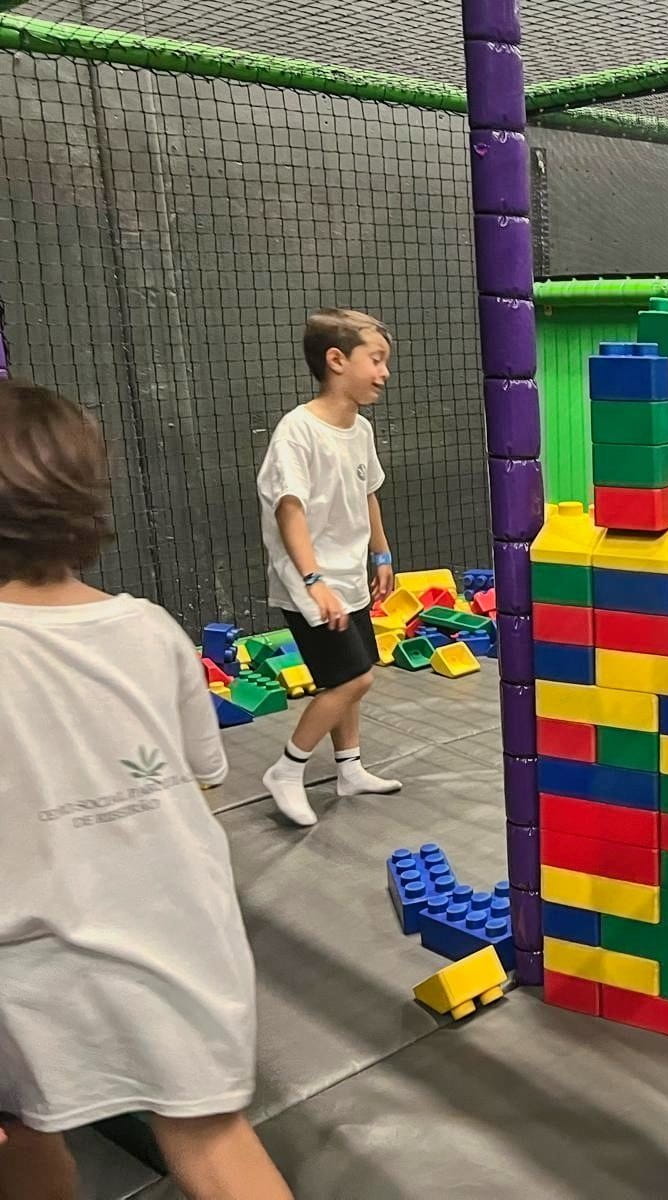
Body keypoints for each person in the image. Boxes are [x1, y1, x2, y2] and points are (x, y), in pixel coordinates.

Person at [0, 380, 291, 1200]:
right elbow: (199, 784)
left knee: (24, 1131)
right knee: (212, 1138)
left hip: (32, 970)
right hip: (182, 935)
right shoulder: (150, 627)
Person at [257, 307, 402, 827]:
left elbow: (368, 493)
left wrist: (381, 553)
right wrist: (313, 581)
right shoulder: (297, 432)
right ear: (337, 360)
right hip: (311, 582)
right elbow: (289, 509)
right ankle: (287, 769)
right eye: (376, 360)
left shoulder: (359, 430)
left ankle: (349, 768)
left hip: (348, 574)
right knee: (353, 679)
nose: (384, 373)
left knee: (350, 674)